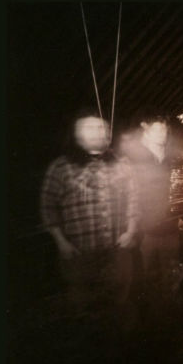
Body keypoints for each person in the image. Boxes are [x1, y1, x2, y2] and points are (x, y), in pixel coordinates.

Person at [40, 108, 139, 322]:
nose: (97, 132)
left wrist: (131, 232)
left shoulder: (121, 163)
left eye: (101, 127)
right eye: (90, 128)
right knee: (83, 311)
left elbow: (134, 200)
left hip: (116, 251)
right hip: (79, 255)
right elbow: (48, 207)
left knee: (118, 307)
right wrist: (61, 242)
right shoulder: (61, 167)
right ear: (77, 134)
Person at [119, 109, 183, 332]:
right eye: (157, 129)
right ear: (145, 131)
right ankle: (146, 328)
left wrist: (181, 217)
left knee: (170, 277)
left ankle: (169, 324)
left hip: (170, 229)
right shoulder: (133, 160)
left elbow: (182, 189)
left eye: (164, 129)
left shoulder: (172, 159)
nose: (162, 134)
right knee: (144, 280)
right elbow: (126, 196)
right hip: (144, 233)